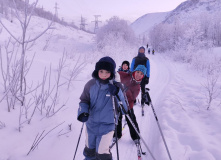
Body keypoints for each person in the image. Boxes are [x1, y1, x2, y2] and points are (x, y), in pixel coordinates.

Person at [77, 56, 128, 160]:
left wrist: (118, 93)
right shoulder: (90, 85)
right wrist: (83, 112)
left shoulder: (117, 86)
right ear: (97, 71)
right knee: (89, 151)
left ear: (112, 73)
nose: (104, 74)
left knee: (102, 154)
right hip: (91, 124)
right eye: (101, 71)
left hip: (107, 126)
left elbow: (124, 109)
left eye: (107, 72)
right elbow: (84, 100)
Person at [116, 65, 147, 144]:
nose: (138, 75)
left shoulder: (137, 87)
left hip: (128, 104)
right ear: (134, 71)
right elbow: (115, 75)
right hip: (118, 101)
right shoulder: (125, 75)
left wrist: (126, 91)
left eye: (141, 74)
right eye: (138, 72)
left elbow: (132, 98)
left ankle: (136, 136)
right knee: (116, 118)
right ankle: (116, 135)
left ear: (143, 76)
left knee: (131, 120)